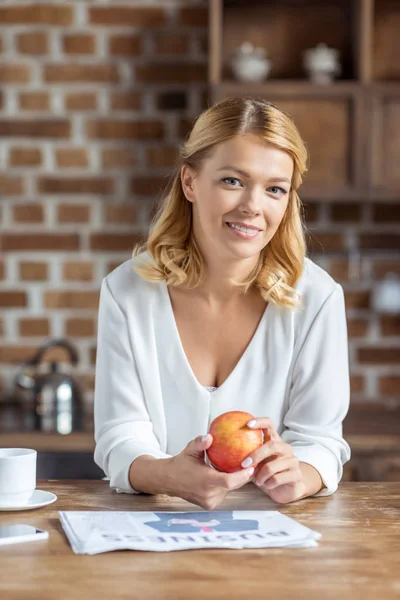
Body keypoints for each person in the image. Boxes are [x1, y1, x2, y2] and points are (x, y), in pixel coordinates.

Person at [93, 96, 351, 509]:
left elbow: (320, 441)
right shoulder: (127, 291)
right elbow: (119, 435)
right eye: (233, 181)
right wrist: (167, 476)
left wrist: (298, 476)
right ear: (190, 182)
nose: (252, 206)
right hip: (153, 532)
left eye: (274, 189)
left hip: (274, 543)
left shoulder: (317, 299)